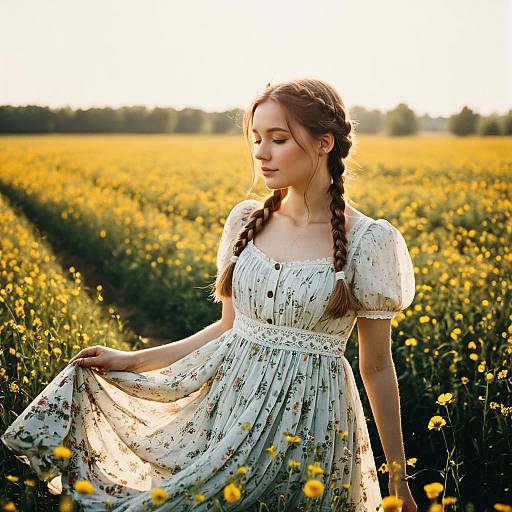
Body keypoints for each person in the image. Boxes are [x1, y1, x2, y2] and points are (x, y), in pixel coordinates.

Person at [1, 78, 417, 512]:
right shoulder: (245, 221)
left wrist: (399, 482)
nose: (261, 153)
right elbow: (228, 328)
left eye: (278, 139)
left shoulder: (369, 241)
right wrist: (130, 360)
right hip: (228, 415)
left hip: (310, 422)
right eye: (256, 139)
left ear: (323, 143)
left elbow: (376, 367)